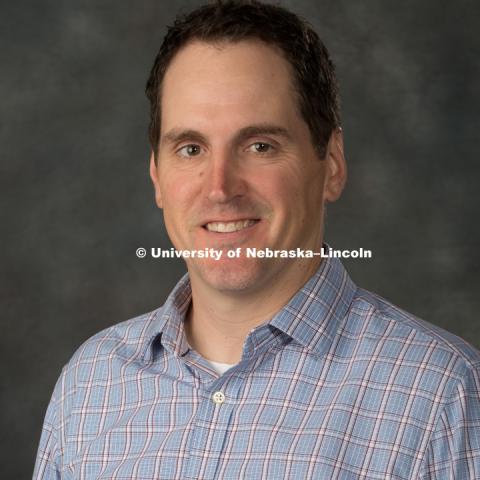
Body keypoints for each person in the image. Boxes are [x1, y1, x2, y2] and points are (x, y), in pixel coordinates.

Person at [33, 1, 480, 479]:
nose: (220, 188)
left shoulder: (443, 395)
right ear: (157, 175)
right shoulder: (90, 385)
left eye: (260, 146)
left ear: (331, 163)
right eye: (190, 148)